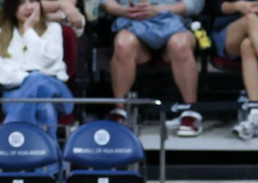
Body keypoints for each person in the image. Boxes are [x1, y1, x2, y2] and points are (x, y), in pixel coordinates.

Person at [102, 0, 204, 136]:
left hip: (174, 22)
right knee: (123, 43)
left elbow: (195, 4)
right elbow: (106, 3)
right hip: (132, 23)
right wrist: (124, 11)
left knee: (181, 44)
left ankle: (191, 110)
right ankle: (121, 110)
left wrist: (160, 9)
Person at [0, 0, 74, 143]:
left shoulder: (53, 29)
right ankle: (50, 163)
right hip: (13, 93)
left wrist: (29, 30)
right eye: (21, 3)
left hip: (57, 92)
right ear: (11, 7)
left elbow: (46, 61)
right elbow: (3, 74)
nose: (28, 7)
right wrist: (34, 75)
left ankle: (8, 140)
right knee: (44, 107)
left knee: (38, 83)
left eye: (33, 1)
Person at [211, 0, 258, 139]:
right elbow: (212, 5)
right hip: (231, 29)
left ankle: (256, 111)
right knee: (251, 19)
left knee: (248, 46)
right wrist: (238, 6)